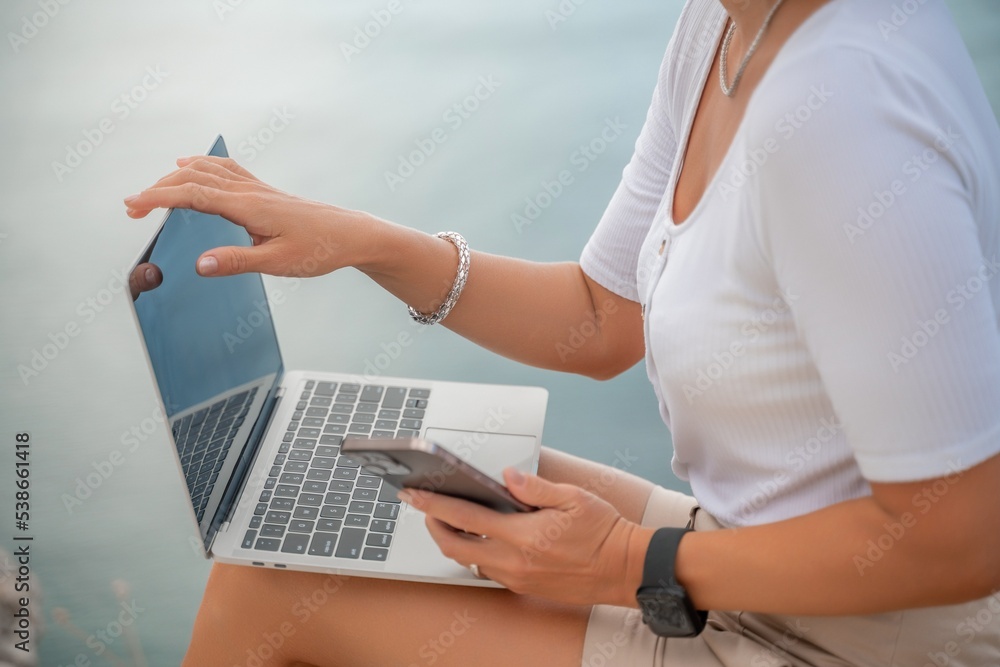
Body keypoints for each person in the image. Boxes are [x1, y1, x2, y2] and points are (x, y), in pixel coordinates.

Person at [124, 0, 1000, 664]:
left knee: (260, 593)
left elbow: (961, 535)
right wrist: (365, 242)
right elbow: (601, 318)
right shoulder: (722, 27)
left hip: (865, 640)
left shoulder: (843, 109)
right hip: (745, 556)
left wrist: (630, 561)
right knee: (343, 474)